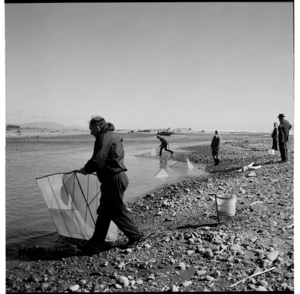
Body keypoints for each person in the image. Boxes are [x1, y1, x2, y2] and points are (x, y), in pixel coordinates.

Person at [77, 116, 144, 254]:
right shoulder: (112, 136)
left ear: (97, 127)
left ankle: (135, 236)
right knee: (104, 212)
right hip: (116, 178)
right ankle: (95, 245)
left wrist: (86, 169)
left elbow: (98, 160)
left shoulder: (104, 137)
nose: (91, 133)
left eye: (91, 130)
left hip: (113, 179)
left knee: (114, 210)